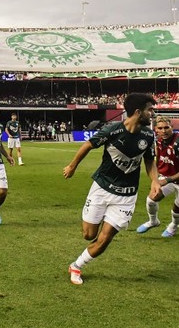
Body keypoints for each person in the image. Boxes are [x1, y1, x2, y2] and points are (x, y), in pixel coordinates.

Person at [63, 93, 160, 285]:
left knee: (105, 238)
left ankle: (76, 266)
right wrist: (72, 166)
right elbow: (88, 145)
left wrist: (155, 181)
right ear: (138, 112)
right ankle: (94, 219)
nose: (153, 113)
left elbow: (149, 162)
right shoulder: (112, 130)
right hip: (102, 187)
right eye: (150, 110)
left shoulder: (148, 135)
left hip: (127, 195)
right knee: (89, 235)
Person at [136, 115, 179, 237]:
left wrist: (167, 180)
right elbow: (158, 161)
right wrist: (156, 179)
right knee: (151, 199)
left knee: (177, 210)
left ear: (172, 127)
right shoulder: (158, 141)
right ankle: (153, 221)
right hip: (167, 177)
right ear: (155, 129)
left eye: (167, 127)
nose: (164, 131)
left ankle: (173, 227)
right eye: (160, 128)